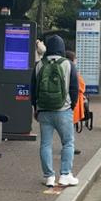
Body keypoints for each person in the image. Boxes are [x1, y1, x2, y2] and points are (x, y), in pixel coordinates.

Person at [31, 35, 79, 187]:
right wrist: (71, 106)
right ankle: (65, 174)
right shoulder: (68, 64)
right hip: (63, 110)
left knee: (45, 144)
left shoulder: (39, 65)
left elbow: (33, 89)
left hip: (44, 110)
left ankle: (49, 176)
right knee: (68, 143)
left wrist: (35, 108)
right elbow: (74, 88)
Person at [65, 51, 85, 155]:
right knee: (70, 128)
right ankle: (69, 148)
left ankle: (68, 146)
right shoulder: (74, 72)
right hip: (74, 103)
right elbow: (81, 87)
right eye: (75, 59)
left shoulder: (63, 69)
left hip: (65, 102)